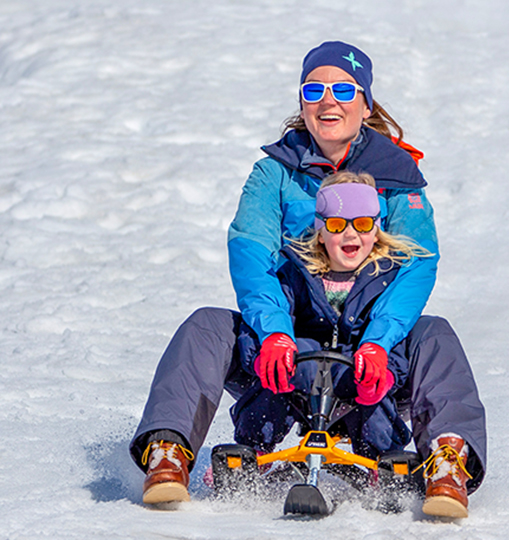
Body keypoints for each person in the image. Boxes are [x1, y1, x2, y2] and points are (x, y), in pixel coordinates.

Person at [130, 40, 486, 518]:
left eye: (342, 88)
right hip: (286, 345)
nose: (327, 100)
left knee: (435, 336)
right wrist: (274, 332)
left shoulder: (398, 175)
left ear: (365, 102)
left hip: (371, 353)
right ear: (301, 101)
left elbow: (417, 262)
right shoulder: (274, 172)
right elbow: (252, 252)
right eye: (314, 89)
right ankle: (168, 452)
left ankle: (448, 462)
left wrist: (380, 342)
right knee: (208, 326)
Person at [232, 171, 431, 460]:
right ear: (321, 233)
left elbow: (397, 334)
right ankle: (253, 448)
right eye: (337, 225)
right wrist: (267, 350)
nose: (350, 234)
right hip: (299, 381)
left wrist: (387, 369)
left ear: (375, 232)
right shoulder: (295, 272)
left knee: (370, 380)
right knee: (284, 365)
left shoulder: (387, 278)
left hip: (360, 378)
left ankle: (383, 457)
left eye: (362, 224)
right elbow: (275, 312)